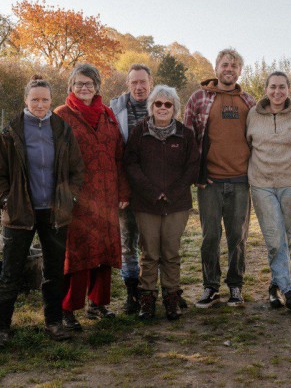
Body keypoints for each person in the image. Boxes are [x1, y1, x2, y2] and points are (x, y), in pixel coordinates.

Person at [0, 74, 85, 346]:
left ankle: (53, 323)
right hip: (20, 212)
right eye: (35, 100)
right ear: (25, 100)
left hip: (55, 211)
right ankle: (0, 328)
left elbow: (77, 170)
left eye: (45, 100)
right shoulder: (11, 131)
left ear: (51, 100)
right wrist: (4, 200)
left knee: (54, 271)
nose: (40, 105)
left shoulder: (62, 129)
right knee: (11, 271)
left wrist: (70, 197)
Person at [54, 63, 130, 331]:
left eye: (89, 83)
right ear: (71, 87)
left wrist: (123, 190)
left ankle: (98, 304)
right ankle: (67, 309)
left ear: (97, 86)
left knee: (104, 251)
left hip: (107, 194)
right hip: (77, 197)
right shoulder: (61, 116)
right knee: (76, 254)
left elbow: (119, 156)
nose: (84, 88)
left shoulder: (108, 114)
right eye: (79, 84)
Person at [184, 48, 256, 308]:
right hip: (210, 182)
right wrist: (195, 175)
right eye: (225, 64)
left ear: (239, 71)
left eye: (234, 66)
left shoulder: (249, 101)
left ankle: (235, 286)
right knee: (210, 237)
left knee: (237, 237)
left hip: (240, 180)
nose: (229, 69)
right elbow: (188, 140)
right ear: (216, 68)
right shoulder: (199, 98)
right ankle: (210, 286)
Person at [124, 85, 199, 321]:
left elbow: (192, 167)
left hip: (176, 204)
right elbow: (131, 164)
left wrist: (173, 192)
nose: (163, 108)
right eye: (158, 103)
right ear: (151, 106)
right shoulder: (139, 132)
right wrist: (153, 192)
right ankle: (146, 299)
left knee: (170, 252)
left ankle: (171, 297)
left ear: (175, 108)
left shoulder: (185, 134)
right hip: (146, 203)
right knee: (149, 253)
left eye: (168, 104)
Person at [246, 71, 291, 316]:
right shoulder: (252, 115)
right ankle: (290, 293)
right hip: (261, 184)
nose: (277, 92)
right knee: (274, 238)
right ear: (266, 89)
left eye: (282, 87)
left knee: (287, 238)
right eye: (273, 87)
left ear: (289, 90)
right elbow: (246, 145)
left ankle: (274, 287)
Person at [110, 63, 154, 314]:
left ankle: (152, 290)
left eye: (143, 82)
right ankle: (131, 293)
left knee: (152, 241)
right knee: (128, 241)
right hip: (126, 186)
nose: (139, 87)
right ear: (128, 84)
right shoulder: (115, 110)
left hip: (152, 187)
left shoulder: (160, 105)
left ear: (150, 82)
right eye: (134, 82)